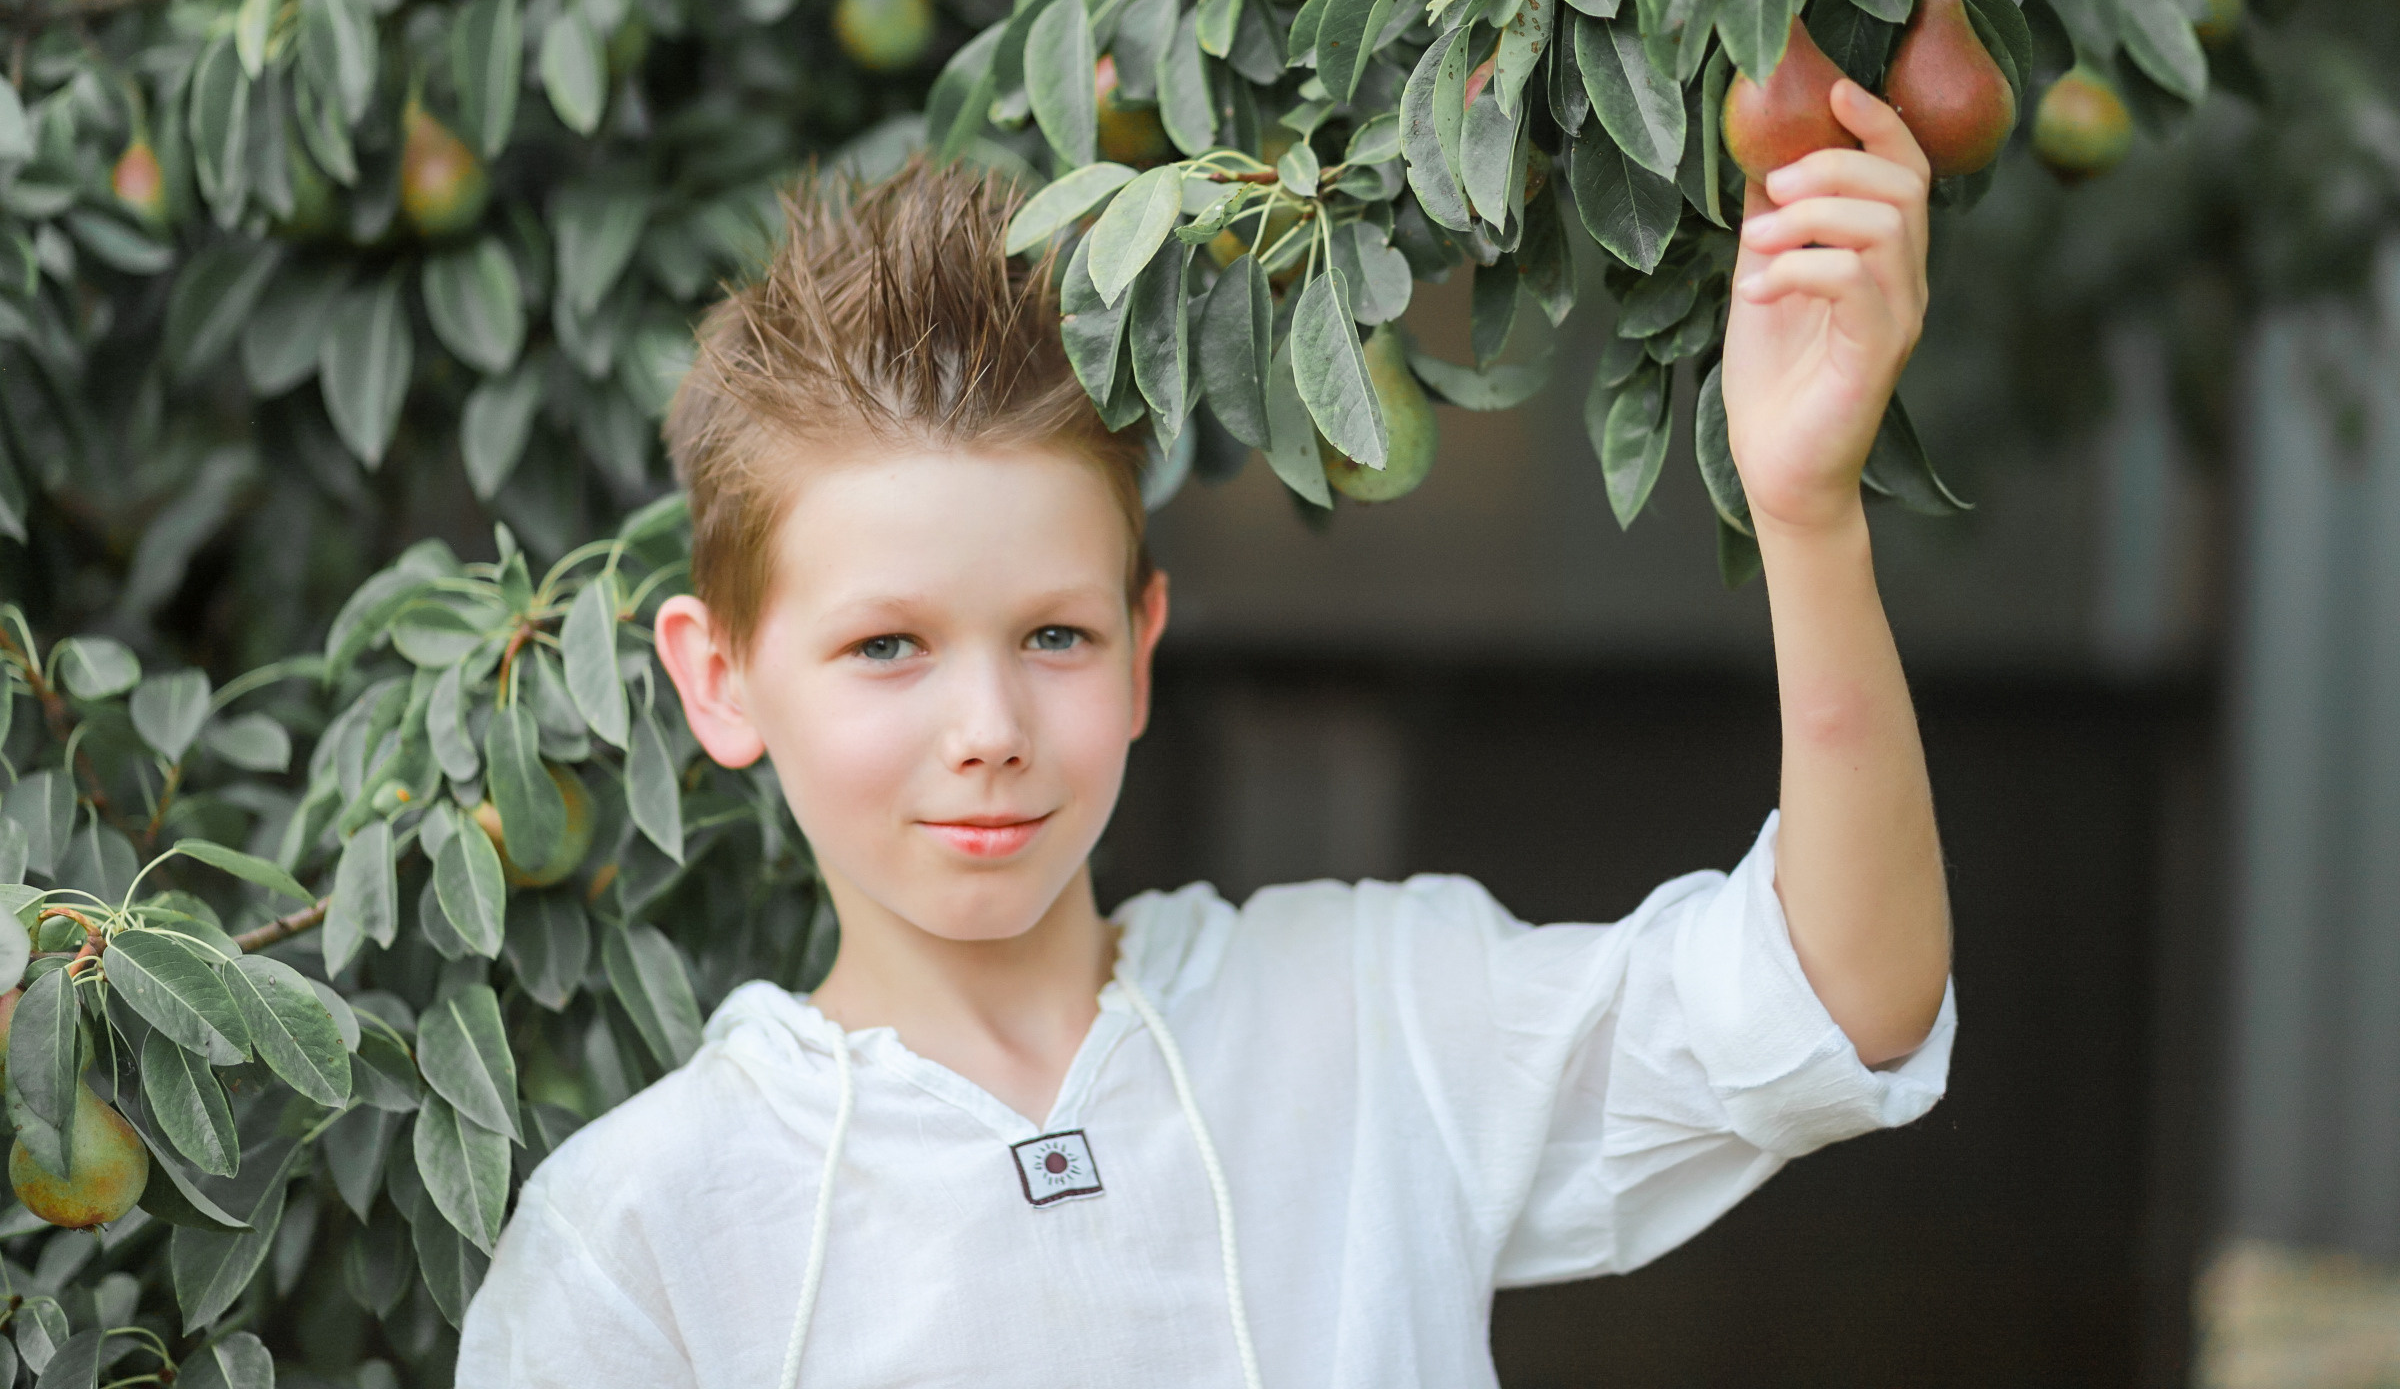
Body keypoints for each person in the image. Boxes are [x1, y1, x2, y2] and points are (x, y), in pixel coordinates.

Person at [454, 81, 1956, 1388]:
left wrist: (1805, 510)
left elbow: (1838, 1001)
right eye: (886, 647)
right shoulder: (636, 1234)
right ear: (719, 679)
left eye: (1054, 635)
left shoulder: (1373, 1015)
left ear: (1140, 649)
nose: (988, 729)